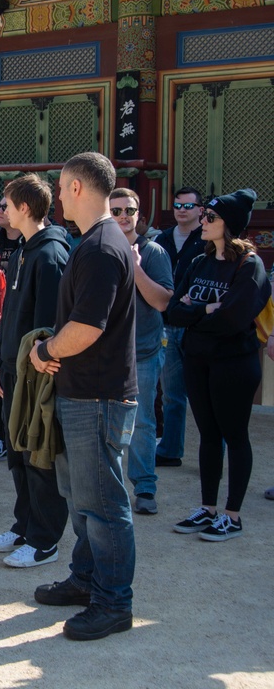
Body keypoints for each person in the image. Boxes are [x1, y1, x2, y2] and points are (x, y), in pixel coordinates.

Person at [28, 152, 138, 641]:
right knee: (83, 498)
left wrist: (45, 349)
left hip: (99, 394)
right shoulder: (96, 240)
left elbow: (88, 327)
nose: (56, 194)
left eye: (60, 185)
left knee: (104, 503)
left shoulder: (98, 247)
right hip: (85, 391)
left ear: (75, 187)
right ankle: (86, 578)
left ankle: (114, 602)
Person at [167, 189, 271, 542]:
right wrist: (204, 310)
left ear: (230, 225)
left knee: (235, 435)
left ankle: (233, 514)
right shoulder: (199, 261)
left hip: (234, 363)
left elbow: (234, 318)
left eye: (210, 217)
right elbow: (173, 312)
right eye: (204, 215)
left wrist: (196, 311)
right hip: (197, 359)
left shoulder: (250, 265)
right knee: (208, 435)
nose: (203, 221)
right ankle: (208, 507)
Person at [0, 174, 70, 568]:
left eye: (6, 203)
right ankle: (24, 525)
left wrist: (32, 372)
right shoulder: (24, 249)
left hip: (36, 376)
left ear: (24, 208)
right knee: (17, 456)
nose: (1, 210)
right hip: (13, 370)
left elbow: (48, 326)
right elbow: (12, 319)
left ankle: (45, 539)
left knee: (39, 458)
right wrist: (2, 366)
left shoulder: (50, 254)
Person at [108, 188, 173, 514]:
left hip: (143, 352)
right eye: (116, 211)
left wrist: (135, 267)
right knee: (109, 424)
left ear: (139, 214)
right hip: (107, 354)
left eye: (128, 211)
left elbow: (162, 301)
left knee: (143, 423)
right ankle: (111, 489)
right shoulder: (101, 249)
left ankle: (145, 488)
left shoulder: (154, 252)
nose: (123, 217)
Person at [154, 186, 206, 468]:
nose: (181, 211)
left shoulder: (208, 239)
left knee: (205, 397)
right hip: (167, 323)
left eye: (188, 206)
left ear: (201, 209)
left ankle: (212, 456)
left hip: (197, 325)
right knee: (172, 394)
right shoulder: (162, 239)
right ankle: (171, 450)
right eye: (177, 205)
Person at [0, 195, 22, 461]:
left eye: (4, 207)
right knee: (0, 384)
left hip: (21, 321)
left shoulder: (31, 242)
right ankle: (3, 438)